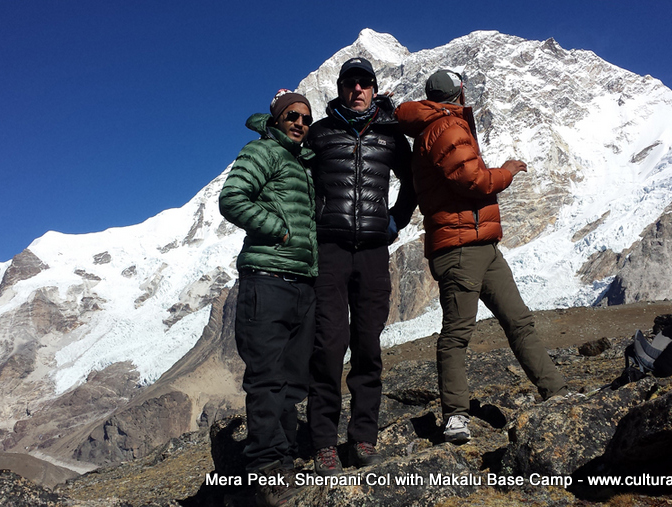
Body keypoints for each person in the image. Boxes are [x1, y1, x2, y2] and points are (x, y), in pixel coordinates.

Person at [395, 70, 569, 444]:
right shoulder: (446, 128)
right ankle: (455, 415)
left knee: (518, 319)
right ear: (459, 92)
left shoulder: (441, 125)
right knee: (458, 333)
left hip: (481, 244)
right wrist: (506, 172)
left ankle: (556, 390)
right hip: (460, 247)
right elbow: (473, 181)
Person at [304, 57, 415, 475]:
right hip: (329, 250)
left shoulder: (389, 134)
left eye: (364, 83)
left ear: (373, 87)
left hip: (372, 251)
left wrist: (396, 219)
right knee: (328, 348)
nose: (358, 90)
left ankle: (363, 437)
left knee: (367, 345)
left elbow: (413, 180)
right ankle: (323, 443)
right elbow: (301, 181)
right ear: (340, 88)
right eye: (350, 83)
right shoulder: (321, 132)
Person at [218, 89, 317, 505]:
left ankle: (286, 455)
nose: (299, 122)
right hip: (267, 280)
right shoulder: (263, 152)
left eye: (306, 118)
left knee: (293, 379)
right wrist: (279, 231)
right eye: (292, 115)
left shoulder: (302, 163)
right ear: (277, 119)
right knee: (266, 376)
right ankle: (265, 467)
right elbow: (231, 198)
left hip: (301, 282)